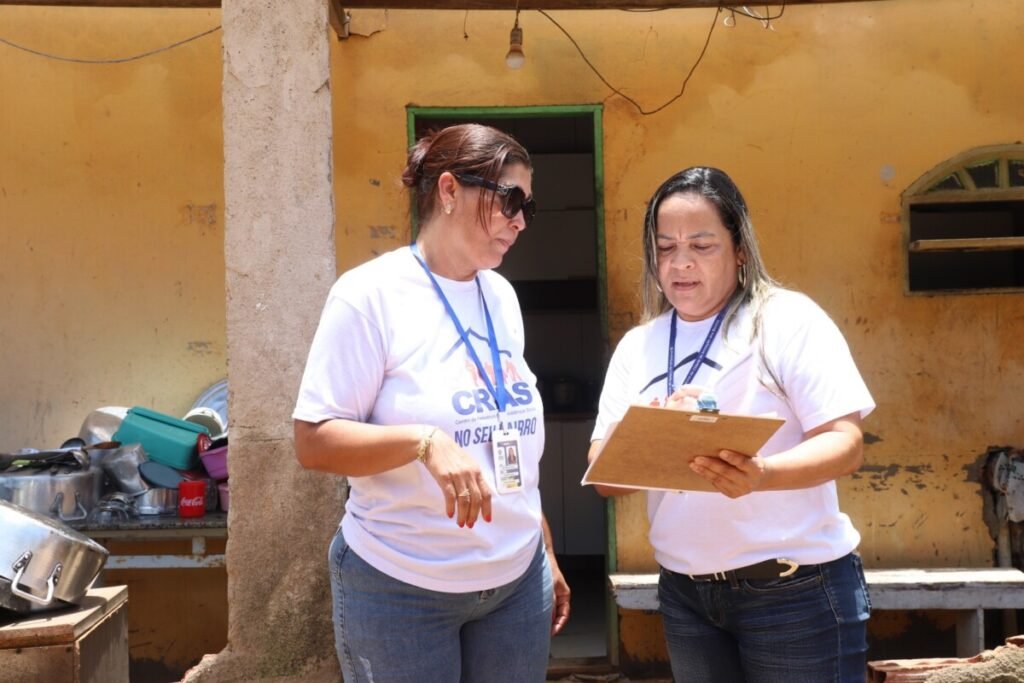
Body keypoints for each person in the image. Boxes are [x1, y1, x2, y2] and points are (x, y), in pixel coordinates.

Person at [293, 123, 570, 683]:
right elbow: (314, 440)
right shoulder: (370, 296)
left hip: (515, 582)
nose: (519, 220)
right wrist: (423, 442)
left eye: (527, 208)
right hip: (403, 587)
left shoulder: (500, 294)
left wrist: (541, 548)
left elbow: (503, 431)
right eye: (509, 200)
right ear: (448, 191)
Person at [588, 167, 873, 682]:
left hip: (794, 588)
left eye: (702, 245)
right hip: (686, 591)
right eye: (666, 246)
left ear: (739, 248)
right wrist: (661, 431)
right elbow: (604, 475)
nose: (681, 263)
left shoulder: (785, 320)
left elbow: (844, 443)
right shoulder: (639, 345)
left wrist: (762, 473)